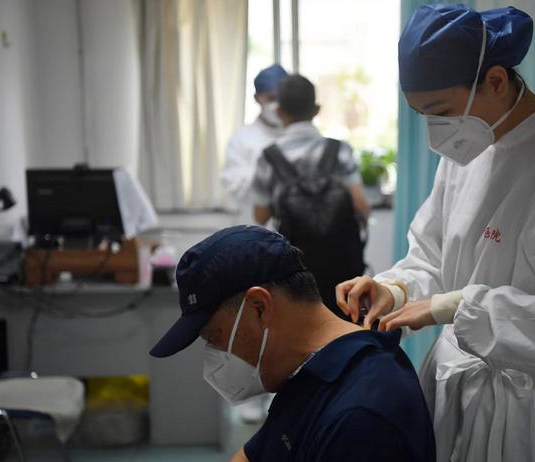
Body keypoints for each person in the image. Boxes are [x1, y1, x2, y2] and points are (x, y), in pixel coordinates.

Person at [336, 5, 535, 462]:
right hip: (452, 390)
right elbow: (432, 254)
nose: (437, 132)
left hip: (532, 409)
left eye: (441, 111)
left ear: (495, 81)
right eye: (422, 115)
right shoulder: (468, 149)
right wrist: (394, 290)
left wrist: (454, 307)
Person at [149, 225, 435, 462]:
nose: (215, 355)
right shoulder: (310, 375)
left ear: (260, 306)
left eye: (214, 337)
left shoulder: (360, 418)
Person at [251, 74, 370, 316]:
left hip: (296, 274)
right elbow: (361, 206)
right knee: (345, 327)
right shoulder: (339, 150)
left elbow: (260, 216)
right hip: (343, 271)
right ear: (316, 109)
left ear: (280, 111)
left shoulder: (268, 157)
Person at [220, 64, 289, 223]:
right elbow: (235, 186)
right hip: (256, 228)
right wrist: (269, 175)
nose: (276, 105)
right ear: (257, 98)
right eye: (271, 98)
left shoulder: (295, 135)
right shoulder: (241, 140)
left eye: (281, 98)